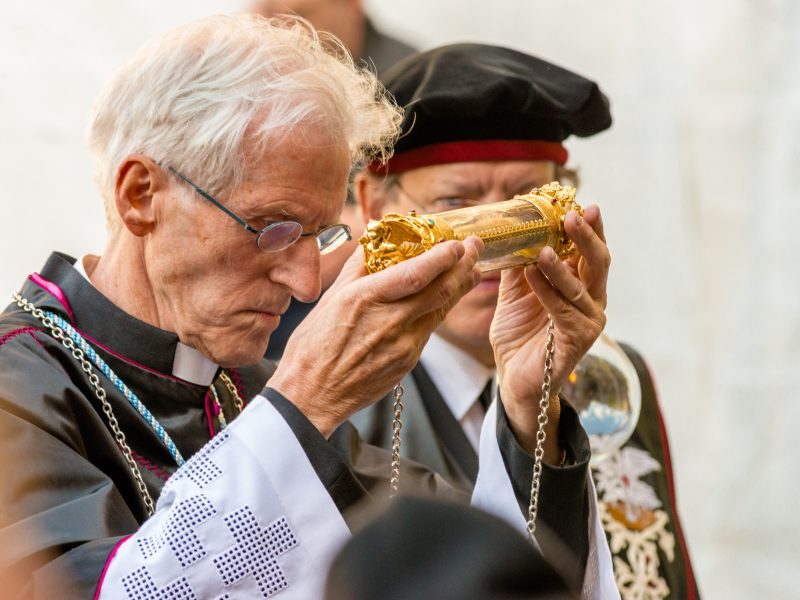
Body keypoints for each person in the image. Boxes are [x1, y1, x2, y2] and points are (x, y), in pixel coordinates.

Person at [0, 16, 617, 599]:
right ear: (141, 196)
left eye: (319, 235)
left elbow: (484, 582)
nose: (303, 283)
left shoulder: (247, 388)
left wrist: (526, 405)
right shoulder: (17, 389)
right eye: (271, 228)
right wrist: (301, 404)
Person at [352, 43, 700, 599]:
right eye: (456, 207)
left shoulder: (611, 379)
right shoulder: (340, 395)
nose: (499, 250)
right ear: (376, 207)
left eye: (526, 210)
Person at [249, 0, 418, 360]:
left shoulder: (411, 83)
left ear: (353, 7)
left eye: (300, 16)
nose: (280, 32)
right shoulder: (250, 65)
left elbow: (425, 204)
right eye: (265, 16)